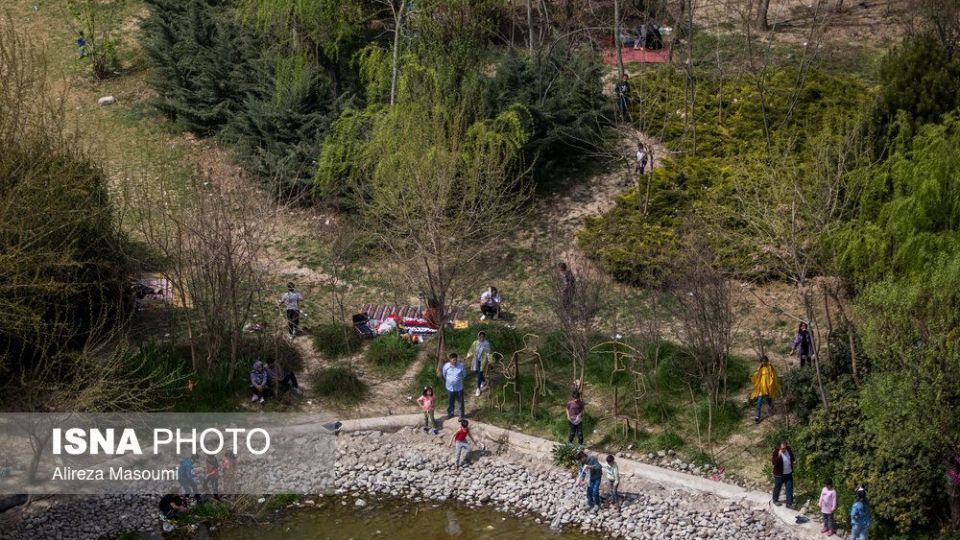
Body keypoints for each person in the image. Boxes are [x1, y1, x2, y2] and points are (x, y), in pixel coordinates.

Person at [750, 355, 780, 423]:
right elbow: (756, 376)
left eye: (765, 361)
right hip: (762, 388)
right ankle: (758, 416)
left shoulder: (769, 367)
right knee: (759, 402)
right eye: (762, 361)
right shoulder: (760, 368)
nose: (763, 362)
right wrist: (758, 369)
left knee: (769, 400)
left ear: (767, 361)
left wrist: (770, 365)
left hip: (768, 387)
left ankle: (771, 410)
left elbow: (774, 373)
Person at [466, 331, 493, 397]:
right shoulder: (475, 343)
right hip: (476, 360)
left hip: (483, 360)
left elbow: (489, 353)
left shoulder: (487, 344)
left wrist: (490, 361)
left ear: (484, 337)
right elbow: (471, 350)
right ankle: (483, 381)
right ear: (478, 336)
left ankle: (478, 388)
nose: (481, 338)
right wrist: (467, 356)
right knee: (476, 372)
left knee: (479, 374)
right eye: (480, 336)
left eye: (483, 336)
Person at [771, 439, 795, 509]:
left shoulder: (788, 449)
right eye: (782, 448)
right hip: (779, 475)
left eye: (785, 447)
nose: (784, 449)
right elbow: (774, 463)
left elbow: (792, 458)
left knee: (789, 489)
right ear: (779, 447)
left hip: (788, 473)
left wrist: (793, 462)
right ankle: (775, 500)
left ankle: (789, 503)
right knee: (777, 487)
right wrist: (779, 455)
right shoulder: (776, 452)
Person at [442, 353, 466, 419]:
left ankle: (461, 415)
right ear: (450, 359)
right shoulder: (446, 366)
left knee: (460, 402)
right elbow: (444, 374)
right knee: (450, 402)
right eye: (453, 360)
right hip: (450, 388)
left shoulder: (461, 366)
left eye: (455, 360)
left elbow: (464, 375)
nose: (454, 361)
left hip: (459, 388)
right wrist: (450, 380)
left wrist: (458, 380)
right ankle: (450, 414)